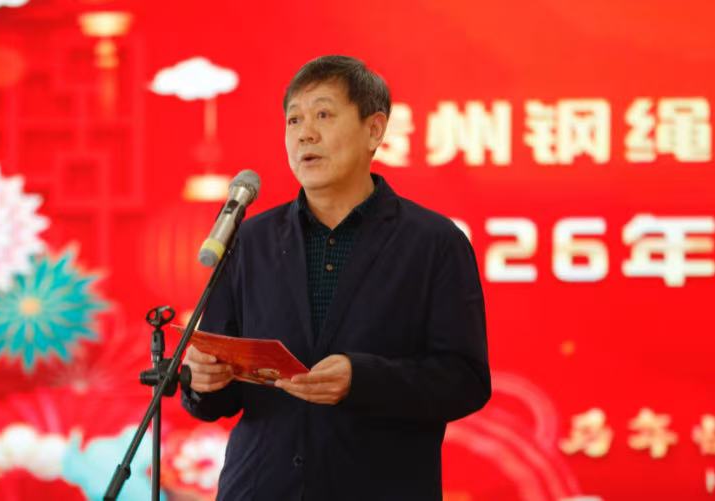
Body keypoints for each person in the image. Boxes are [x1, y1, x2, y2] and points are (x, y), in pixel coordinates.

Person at [181, 55, 490, 501]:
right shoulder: (248, 240)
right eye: (294, 120)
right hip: (262, 488)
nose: (305, 133)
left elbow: (465, 381)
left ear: (374, 130)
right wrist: (202, 381)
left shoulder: (434, 243)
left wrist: (362, 379)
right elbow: (219, 393)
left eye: (323, 114)